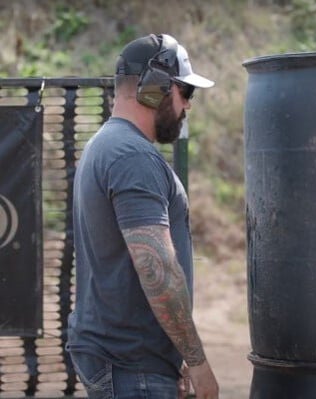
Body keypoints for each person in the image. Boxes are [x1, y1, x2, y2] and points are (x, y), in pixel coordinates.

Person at [66, 33, 219, 399]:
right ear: (156, 88)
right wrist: (198, 363)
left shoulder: (106, 145)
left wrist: (174, 354)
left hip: (128, 360)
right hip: (131, 365)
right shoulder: (132, 157)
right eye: (186, 93)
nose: (188, 107)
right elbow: (157, 270)